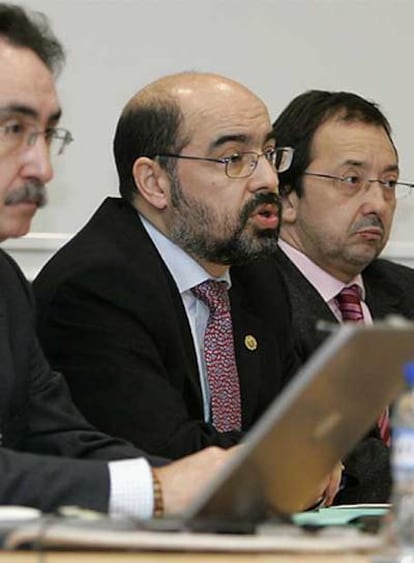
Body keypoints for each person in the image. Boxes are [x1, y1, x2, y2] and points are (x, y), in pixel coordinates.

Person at [0, 2, 235, 519]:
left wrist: (214, 482)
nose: (43, 167)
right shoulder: (95, 280)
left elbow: (61, 438)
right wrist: (155, 490)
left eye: (48, 134)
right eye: (14, 129)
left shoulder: (6, 284)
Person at [272, 89, 414, 503]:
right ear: (286, 196)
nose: (378, 203)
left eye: (389, 183)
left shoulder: (405, 291)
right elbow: (329, 453)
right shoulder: (252, 299)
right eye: (352, 180)